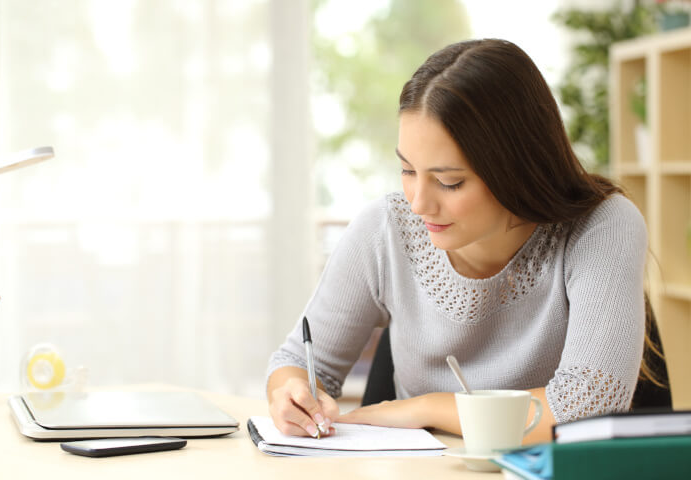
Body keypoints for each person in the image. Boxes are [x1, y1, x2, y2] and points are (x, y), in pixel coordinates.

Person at [265, 38, 649, 443]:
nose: (418, 204)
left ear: (516, 168)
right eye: (407, 170)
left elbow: (588, 409)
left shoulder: (603, 225)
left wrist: (423, 407)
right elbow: (297, 362)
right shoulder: (385, 229)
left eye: (449, 182)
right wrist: (291, 393)